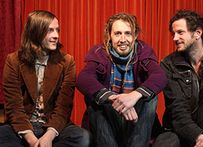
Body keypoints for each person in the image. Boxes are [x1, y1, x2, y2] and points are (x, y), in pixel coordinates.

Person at [0, 10, 89, 147]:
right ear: (35, 32)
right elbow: (14, 107)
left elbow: (63, 107)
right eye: (50, 30)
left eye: (57, 30)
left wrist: (48, 136)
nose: (56, 36)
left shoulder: (67, 61)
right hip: (22, 127)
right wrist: (33, 141)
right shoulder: (13, 61)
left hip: (51, 127)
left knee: (82, 138)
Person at [76, 12, 167, 147]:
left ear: (135, 36)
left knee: (151, 97)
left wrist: (133, 96)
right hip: (109, 124)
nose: (123, 39)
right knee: (93, 98)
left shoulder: (143, 51)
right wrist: (114, 98)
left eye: (128, 33)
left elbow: (160, 76)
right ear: (109, 36)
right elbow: (83, 78)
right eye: (117, 33)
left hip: (136, 121)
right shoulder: (100, 53)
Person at [153, 10, 203, 147]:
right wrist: (198, 137)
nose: (174, 38)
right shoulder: (168, 65)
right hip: (178, 130)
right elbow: (177, 110)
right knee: (164, 143)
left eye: (180, 32)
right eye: (173, 33)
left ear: (197, 33)